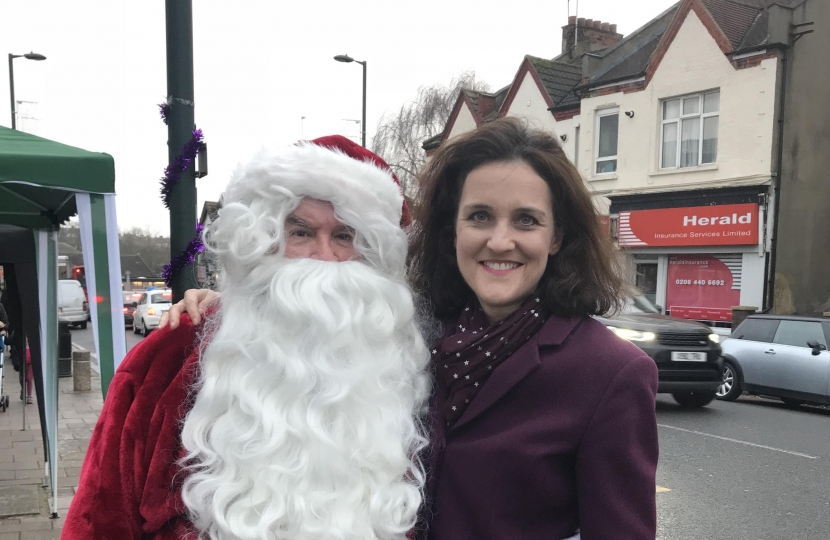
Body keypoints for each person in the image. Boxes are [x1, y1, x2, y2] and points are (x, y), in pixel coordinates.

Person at [167, 118, 659, 540]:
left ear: (557, 239)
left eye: (526, 221)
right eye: (480, 216)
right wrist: (229, 301)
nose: (500, 240)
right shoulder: (409, 339)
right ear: (453, 231)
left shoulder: (609, 373)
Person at [63, 136, 432, 540]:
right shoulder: (171, 356)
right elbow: (101, 515)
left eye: (345, 236)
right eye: (301, 232)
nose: (323, 256)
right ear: (263, 243)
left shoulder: (406, 370)